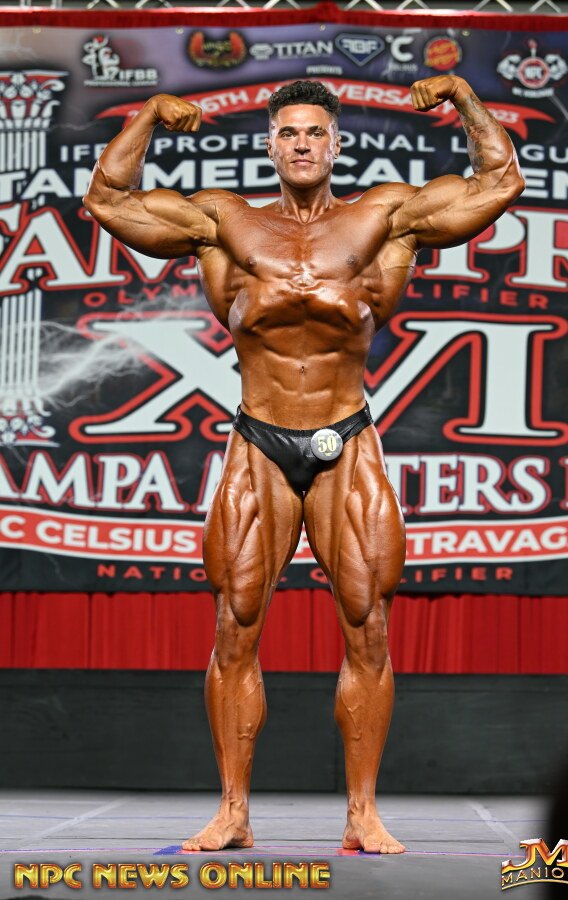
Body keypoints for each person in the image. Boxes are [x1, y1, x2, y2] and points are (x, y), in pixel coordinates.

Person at [84, 77, 524, 854]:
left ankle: (362, 814)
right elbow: (107, 199)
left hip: (345, 438)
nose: (301, 144)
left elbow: (499, 182)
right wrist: (148, 114)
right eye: (288, 132)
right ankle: (233, 812)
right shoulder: (223, 221)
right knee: (235, 624)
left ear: (335, 143)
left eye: (314, 132)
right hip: (258, 438)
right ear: (270, 144)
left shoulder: (384, 217)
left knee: (367, 625)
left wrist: (462, 95)